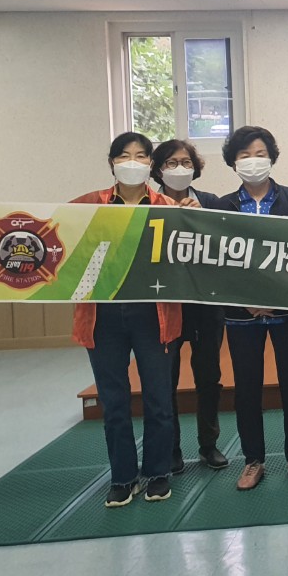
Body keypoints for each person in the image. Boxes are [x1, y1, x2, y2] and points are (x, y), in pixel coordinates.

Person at [72, 133, 181, 506]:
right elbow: (56, 239)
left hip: (155, 314)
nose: (131, 163)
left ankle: (158, 473)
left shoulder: (170, 207)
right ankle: (122, 476)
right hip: (102, 316)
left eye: (140, 156)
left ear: (151, 164)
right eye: (123, 156)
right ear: (112, 163)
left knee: (158, 399)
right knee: (114, 402)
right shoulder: (88, 205)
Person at [212, 126, 288, 490]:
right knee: (246, 389)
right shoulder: (221, 206)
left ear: (271, 158)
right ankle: (253, 460)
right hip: (241, 314)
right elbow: (218, 261)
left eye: (260, 154)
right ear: (233, 163)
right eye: (245, 155)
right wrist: (246, 299)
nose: (253, 161)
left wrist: (280, 296)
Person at [150, 138, 230, 473]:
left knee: (209, 377)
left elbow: (228, 250)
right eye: (171, 163)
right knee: (165, 380)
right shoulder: (147, 204)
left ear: (195, 168)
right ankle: (171, 449)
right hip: (164, 305)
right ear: (158, 170)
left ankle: (209, 444)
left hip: (206, 305)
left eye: (185, 162)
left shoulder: (212, 203)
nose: (179, 168)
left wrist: (203, 222)